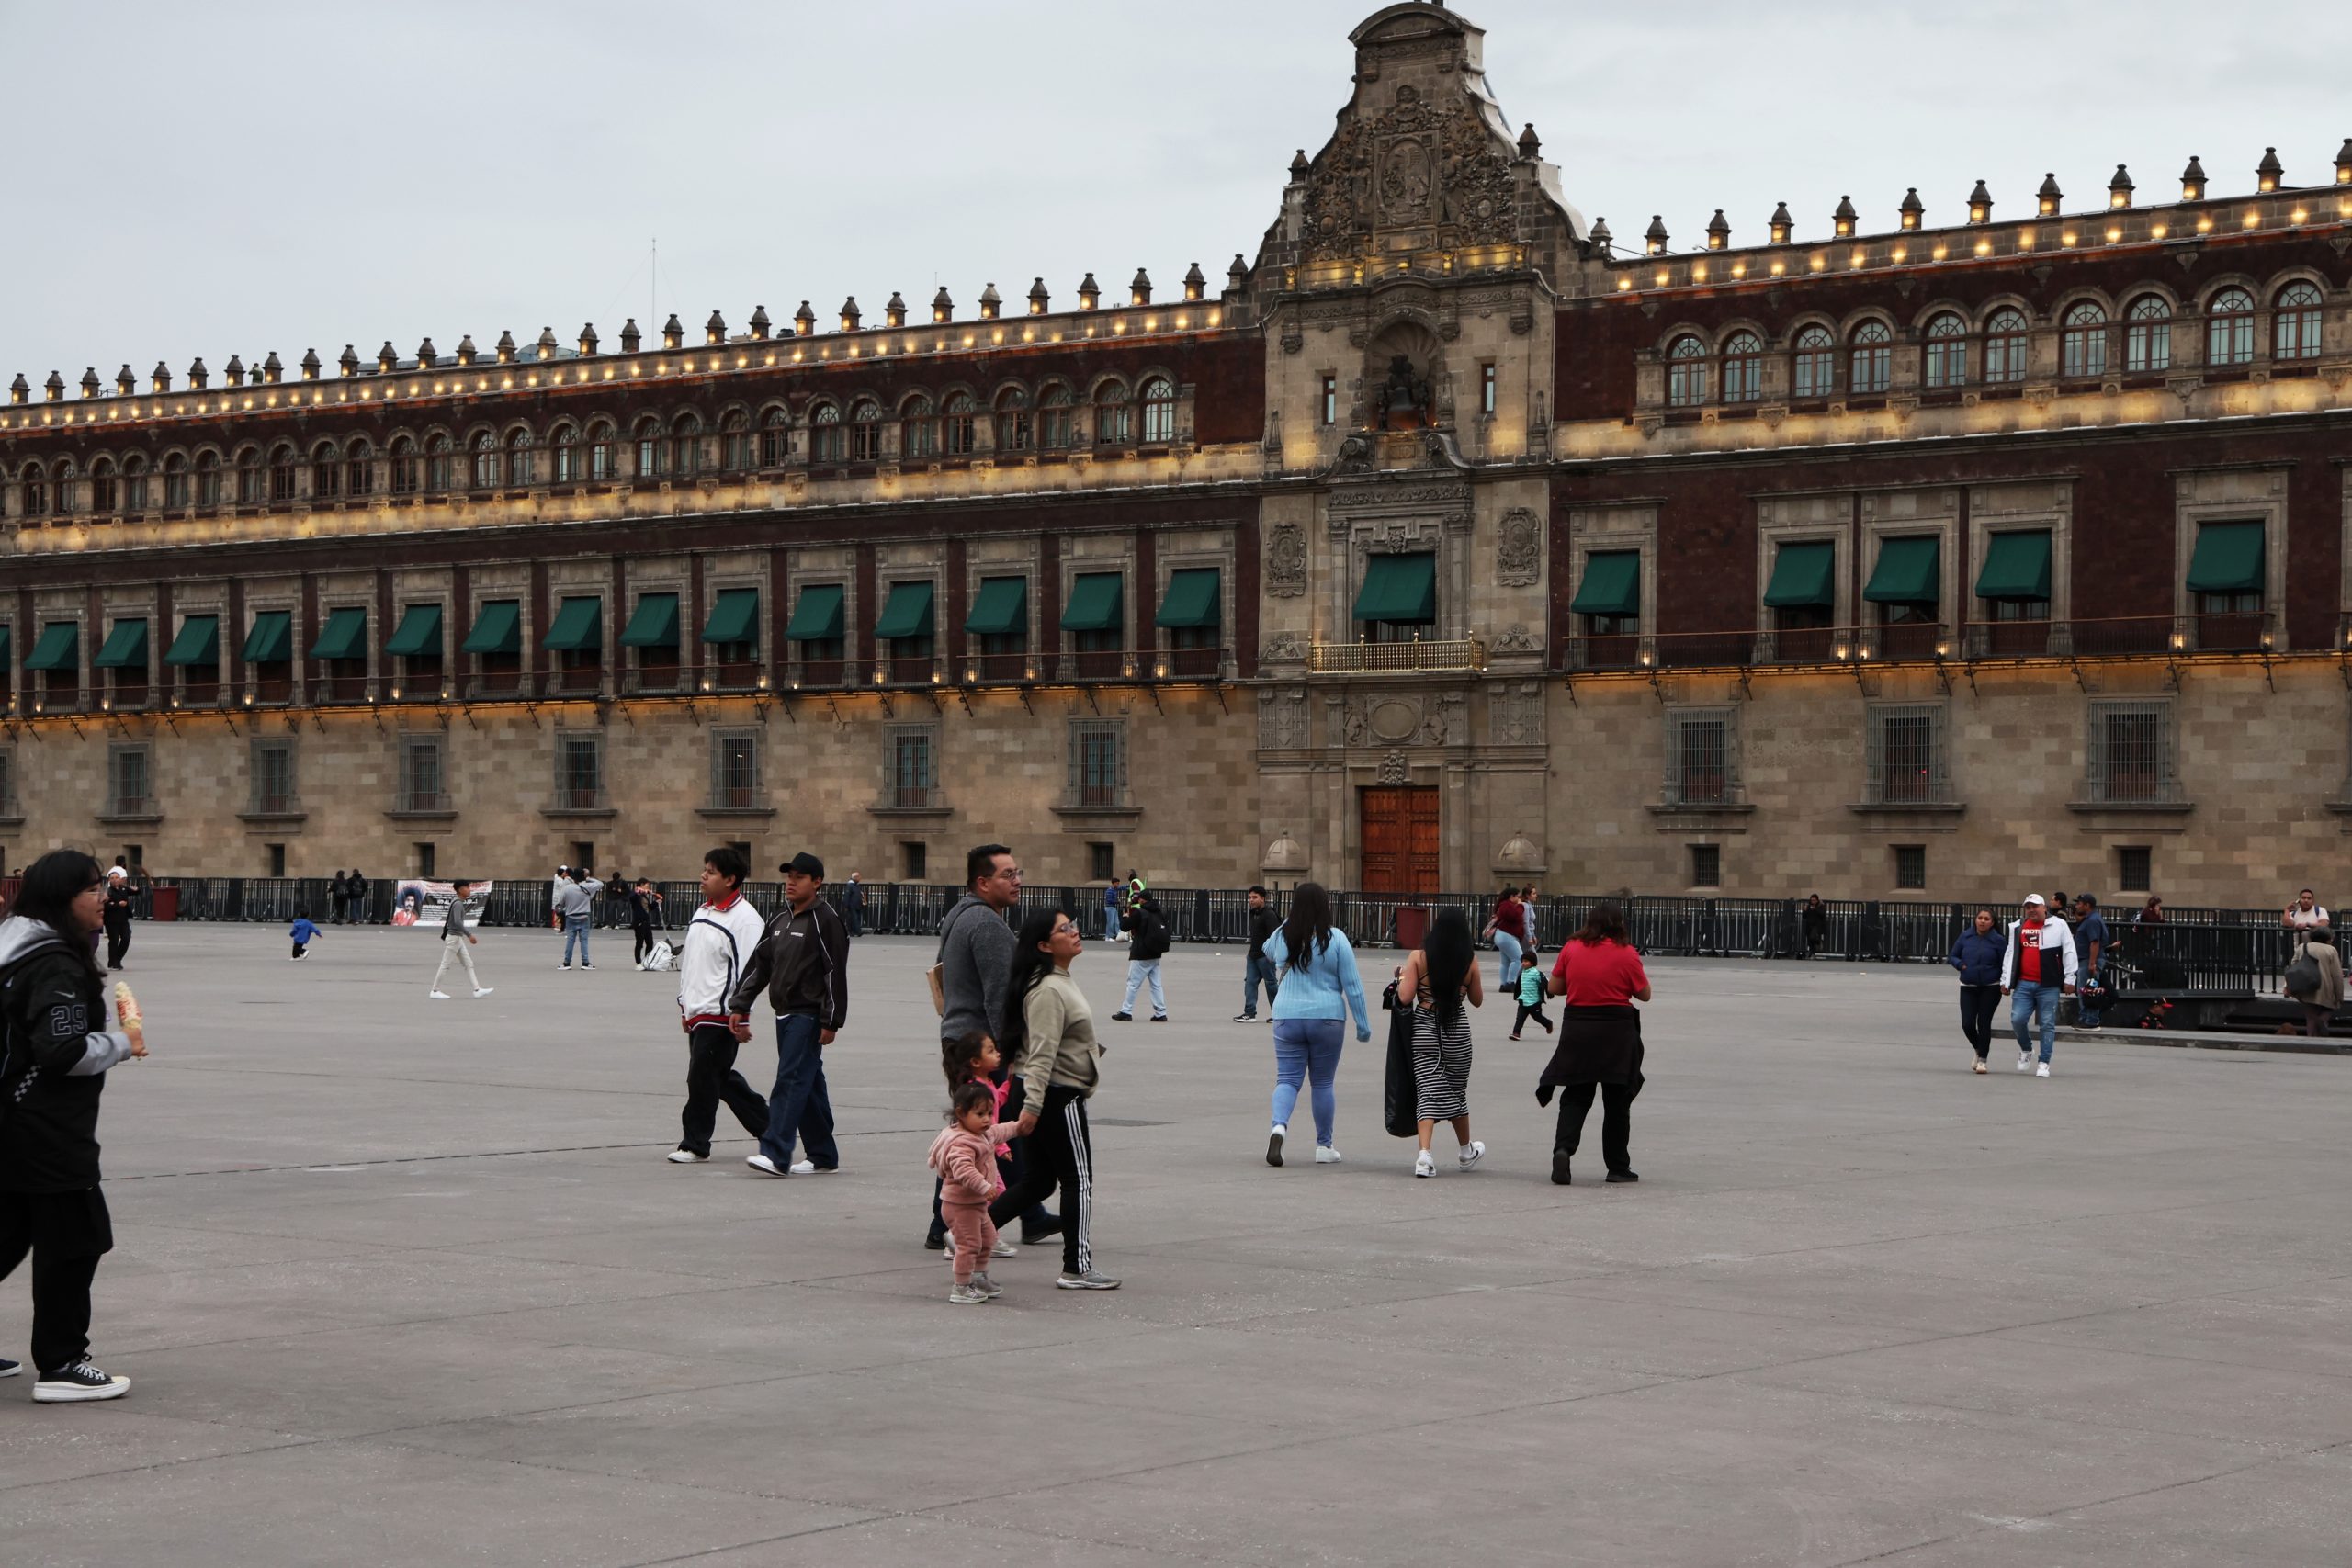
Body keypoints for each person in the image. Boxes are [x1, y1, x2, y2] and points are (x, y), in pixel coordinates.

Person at [0, 848, 145, 1401]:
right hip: (42, 1124)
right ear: (64, 900)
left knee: (8, 1233)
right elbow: (60, 1050)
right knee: (76, 1239)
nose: (104, 898)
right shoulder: (54, 962)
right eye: (92, 890)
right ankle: (62, 1361)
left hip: (12, 1118)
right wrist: (122, 1044)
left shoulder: (15, 943)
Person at [933, 844, 1057, 1250]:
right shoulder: (987, 925)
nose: (1017, 880)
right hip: (982, 1045)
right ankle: (944, 1225)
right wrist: (1009, 1052)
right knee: (981, 1133)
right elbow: (1000, 996)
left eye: (1017, 872)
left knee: (987, 1133)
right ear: (983, 883)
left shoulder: (958, 914)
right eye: (1007, 874)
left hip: (959, 1037)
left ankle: (1031, 1214)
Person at [990, 908, 1119, 1289]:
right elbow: (1041, 1052)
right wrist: (1030, 1107)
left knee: (1039, 1182)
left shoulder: (1056, 981)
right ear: (1045, 945)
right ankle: (1076, 1267)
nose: (1075, 932)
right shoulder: (1048, 988)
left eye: (1073, 925)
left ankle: (967, 1230)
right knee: (1077, 1179)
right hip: (1056, 1095)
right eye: (1065, 929)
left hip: (1049, 1091)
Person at [727, 852, 847, 1179]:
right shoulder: (780, 920)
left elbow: (834, 972)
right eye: (788, 877)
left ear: (817, 882)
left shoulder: (826, 920)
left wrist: (831, 1019)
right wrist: (740, 1004)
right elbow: (759, 966)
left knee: (791, 1081)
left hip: (808, 1016)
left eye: (799, 877)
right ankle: (822, 1153)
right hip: (783, 1014)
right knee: (807, 1084)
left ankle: (776, 1153)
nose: (790, 883)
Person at [668, 848, 772, 1164]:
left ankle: (695, 1143)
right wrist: (685, 1005)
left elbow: (750, 970)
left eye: (711, 872)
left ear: (730, 880)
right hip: (698, 1012)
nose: (703, 876)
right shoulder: (703, 912)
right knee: (719, 1078)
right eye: (705, 869)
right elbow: (692, 965)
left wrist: (741, 1013)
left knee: (701, 1078)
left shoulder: (745, 920)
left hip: (722, 1014)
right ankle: (772, 1128)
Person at [1260, 880, 1371, 1168]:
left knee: (1287, 1080)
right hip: (1327, 1018)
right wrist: (1363, 1024)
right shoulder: (1336, 939)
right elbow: (1353, 986)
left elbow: (1267, 948)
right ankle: (1324, 1145)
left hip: (1287, 1016)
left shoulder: (1285, 935)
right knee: (1322, 1083)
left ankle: (1278, 1128)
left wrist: (1290, 921)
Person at [1540, 902, 1650, 1185]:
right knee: (1616, 1102)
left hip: (1579, 1030)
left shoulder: (1572, 948)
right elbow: (1644, 994)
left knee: (1575, 1096)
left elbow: (1554, 988)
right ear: (1618, 924)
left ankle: (1563, 1150)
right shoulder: (1627, 953)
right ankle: (1617, 1167)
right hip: (1616, 1033)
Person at [1396, 905, 1485, 1178]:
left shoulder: (1418, 957)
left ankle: (1425, 1155)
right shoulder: (1468, 960)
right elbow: (1477, 1001)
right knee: (1457, 1089)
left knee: (1427, 1087)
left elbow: (1405, 998)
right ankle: (1465, 1150)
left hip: (1424, 1027)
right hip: (1456, 1028)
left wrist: (1401, 977)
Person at [930, 1081, 1016, 1304]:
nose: (987, 1119)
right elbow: (963, 1170)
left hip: (975, 1205)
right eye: (980, 1114)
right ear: (961, 1113)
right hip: (960, 1206)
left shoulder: (983, 1133)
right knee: (969, 1245)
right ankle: (961, 1286)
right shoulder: (961, 1142)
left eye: (989, 1113)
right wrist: (985, 1186)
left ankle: (978, 1276)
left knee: (988, 1239)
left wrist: (1019, 1126)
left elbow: (999, 1131)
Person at [2001, 894, 2077, 1077]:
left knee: (2047, 1023)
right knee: (2017, 1019)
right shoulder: (2018, 927)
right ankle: (2026, 1049)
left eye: (2035, 906)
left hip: (2048, 984)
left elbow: (2069, 950)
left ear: (2044, 908)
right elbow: (2010, 953)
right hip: (2024, 983)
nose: (2032, 910)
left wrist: (2070, 978)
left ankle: (2044, 1062)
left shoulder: (2058, 925)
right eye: (2028, 907)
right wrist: (2005, 980)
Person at [1947, 908, 2004, 1072]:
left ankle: (1983, 1061)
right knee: (1968, 1024)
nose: (1983, 921)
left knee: (1984, 1022)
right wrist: (1960, 965)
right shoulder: (1966, 936)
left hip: (1991, 986)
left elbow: (2005, 962)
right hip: (1968, 986)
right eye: (1980, 918)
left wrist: (2004, 981)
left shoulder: (1998, 940)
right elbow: (1953, 956)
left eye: (1987, 919)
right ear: (1975, 920)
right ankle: (1978, 1049)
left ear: (1992, 923)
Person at [427, 880, 493, 998]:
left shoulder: (457, 902)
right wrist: (469, 935)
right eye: (467, 887)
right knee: (445, 965)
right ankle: (435, 991)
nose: (469, 889)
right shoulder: (458, 904)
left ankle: (477, 990)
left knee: (468, 964)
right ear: (460, 890)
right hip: (454, 938)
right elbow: (457, 922)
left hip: (457, 938)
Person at [1114, 888, 1170, 1022]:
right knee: (1156, 985)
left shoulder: (1140, 912)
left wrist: (1125, 916)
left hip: (1141, 953)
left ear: (1142, 900)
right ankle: (1161, 1012)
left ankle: (1126, 1011)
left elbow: (1125, 927)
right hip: (1156, 953)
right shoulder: (1160, 912)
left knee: (1133, 983)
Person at [2284, 930, 2344, 1039]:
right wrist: (2339, 995)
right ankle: (2321, 1020)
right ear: (2328, 939)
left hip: (2307, 985)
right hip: (2325, 986)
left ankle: (2311, 1037)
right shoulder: (2331, 950)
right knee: (2330, 1008)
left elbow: (2293, 967)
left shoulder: (2302, 947)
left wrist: (2287, 986)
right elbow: (2337, 974)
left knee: (2310, 1015)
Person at [1235, 886, 1279, 1023]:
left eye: (1254, 897)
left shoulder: (1269, 914)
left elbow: (1274, 936)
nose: (1251, 900)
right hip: (1253, 955)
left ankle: (1279, 1013)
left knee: (1271, 984)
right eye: (1250, 897)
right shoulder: (1253, 913)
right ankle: (1249, 1013)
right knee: (1250, 982)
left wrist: (1271, 956)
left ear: (1263, 899)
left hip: (1265, 956)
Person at [2071, 894, 2110, 1028]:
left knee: (2088, 991)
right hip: (2087, 960)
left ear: (2087, 905)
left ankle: (2090, 1020)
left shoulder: (2092, 921)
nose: (2077, 906)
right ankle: (2085, 1018)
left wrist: (2092, 963)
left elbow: (2094, 942)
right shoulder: (2092, 919)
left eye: (2079, 904)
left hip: (2088, 960)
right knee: (2087, 990)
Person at [552, 868, 602, 970]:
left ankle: (566, 963)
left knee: (570, 940)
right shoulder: (587, 886)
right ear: (583, 877)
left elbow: (561, 903)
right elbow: (600, 884)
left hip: (571, 916)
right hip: (584, 916)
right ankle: (585, 962)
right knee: (584, 940)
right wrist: (588, 878)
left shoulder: (567, 888)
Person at [1485, 884, 1530, 991]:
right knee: (1518, 959)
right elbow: (1515, 916)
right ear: (1511, 896)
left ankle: (1503, 984)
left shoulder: (1504, 905)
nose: (1519, 899)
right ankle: (1510, 982)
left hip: (1504, 936)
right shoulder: (1506, 905)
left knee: (1506, 962)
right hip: (1507, 936)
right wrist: (1520, 906)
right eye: (1517, 896)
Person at [1510, 949, 1554, 1041]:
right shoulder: (1522, 973)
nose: (1523, 963)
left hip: (1534, 1002)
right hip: (1524, 1001)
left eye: (1526, 961)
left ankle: (1548, 1023)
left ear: (1532, 963)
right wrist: (1517, 995)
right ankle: (1516, 1033)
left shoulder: (1536, 973)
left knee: (1538, 1018)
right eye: (1522, 961)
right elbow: (1519, 985)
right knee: (1520, 1018)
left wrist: (1549, 992)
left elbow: (1546, 982)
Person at [100, 867, 135, 973]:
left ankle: (117, 959)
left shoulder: (123, 889)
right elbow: (105, 906)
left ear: (120, 879)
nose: (115, 879)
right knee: (114, 941)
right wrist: (117, 905)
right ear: (109, 880)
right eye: (112, 878)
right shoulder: (108, 892)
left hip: (123, 920)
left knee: (126, 938)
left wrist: (137, 889)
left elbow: (136, 892)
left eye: (117, 877)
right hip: (111, 920)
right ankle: (113, 962)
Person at [628, 878, 664, 969]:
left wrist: (656, 902)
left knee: (650, 942)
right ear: (641, 884)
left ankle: (647, 961)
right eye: (647, 885)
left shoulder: (644, 896)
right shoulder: (636, 895)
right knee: (639, 943)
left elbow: (648, 908)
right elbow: (631, 897)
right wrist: (637, 891)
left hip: (646, 921)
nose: (648, 887)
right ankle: (638, 962)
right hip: (639, 922)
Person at [1800, 894, 1828, 958]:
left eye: (1814, 900)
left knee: (1812, 937)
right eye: (1812, 900)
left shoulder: (1821, 906)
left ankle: (1818, 942)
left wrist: (1815, 909)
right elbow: (1804, 916)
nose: (1813, 902)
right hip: (1809, 925)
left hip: (1817, 925)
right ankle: (1812, 953)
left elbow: (1822, 914)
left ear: (1817, 900)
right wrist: (1804, 910)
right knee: (1810, 940)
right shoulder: (1808, 906)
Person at [842, 873, 865, 939]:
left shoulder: (857, 885)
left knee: (856, 918)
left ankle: (853, 931)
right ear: (855, 877)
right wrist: (846, 905)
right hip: (851, 905)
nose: (860, 879)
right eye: (858, 877)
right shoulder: (850, 885)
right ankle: (857, 932)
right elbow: (847, 896)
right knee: (854, 918)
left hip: (857, 905)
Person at [1102, 879, 1124, 943]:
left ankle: (1117, 936)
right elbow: (1109, 900)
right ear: (1113, 883)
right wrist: (1118, 901)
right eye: (1117, 883)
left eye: (1118, 883)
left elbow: (1122, 887)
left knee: (1116, 922)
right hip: (1109, 908)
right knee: (1110, 923)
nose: (1118, 885)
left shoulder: (1115, 889)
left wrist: (1130, 885)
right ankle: (1108, 937)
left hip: (1113, 908)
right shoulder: (1109, 890)